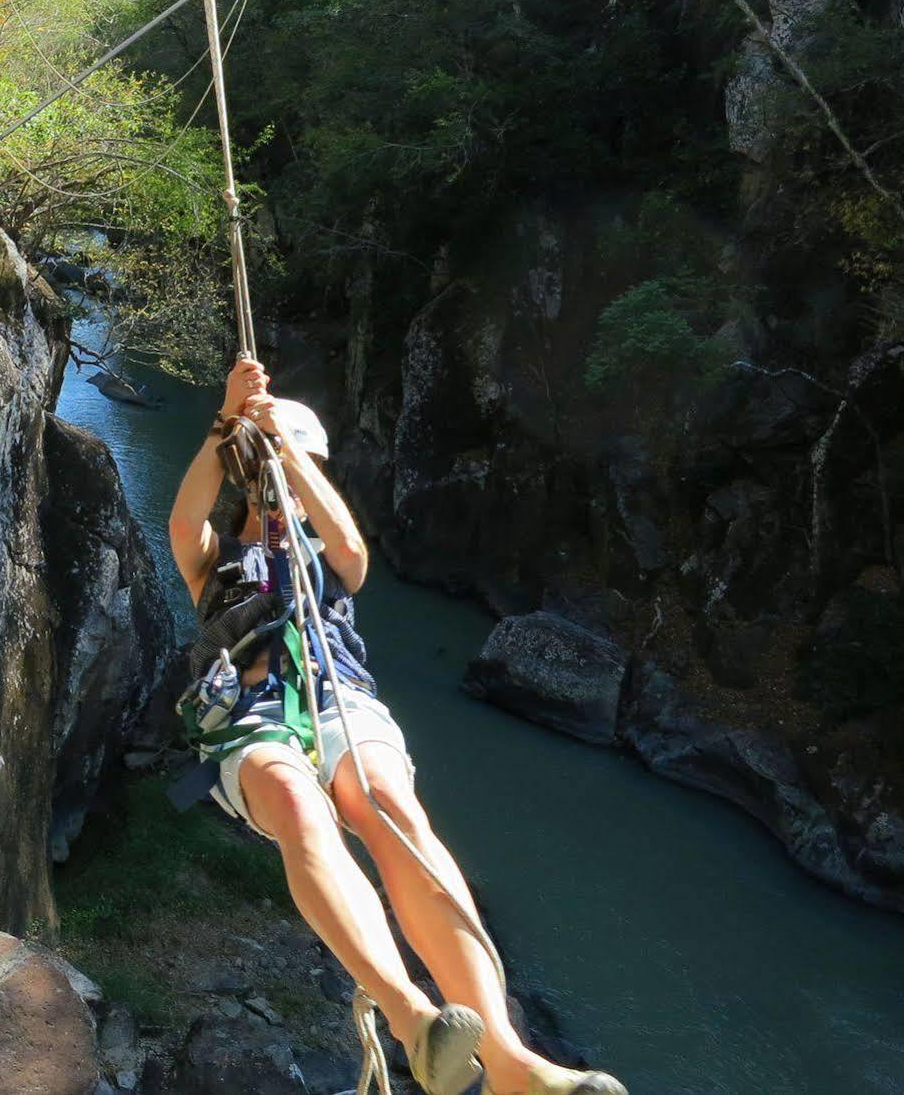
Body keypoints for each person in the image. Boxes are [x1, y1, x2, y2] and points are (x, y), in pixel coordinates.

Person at [167, 357, 628, 1095]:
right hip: (253, 723)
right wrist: (227, 427)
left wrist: (287, 455)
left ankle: (510, 1059)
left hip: (341, 703)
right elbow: (184, 518)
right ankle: (413, 1019)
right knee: (294, 801)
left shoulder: (329, 557)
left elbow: (349, 546)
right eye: (265, 474)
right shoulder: (216, 561)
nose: (278, 491)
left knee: (385, 801)